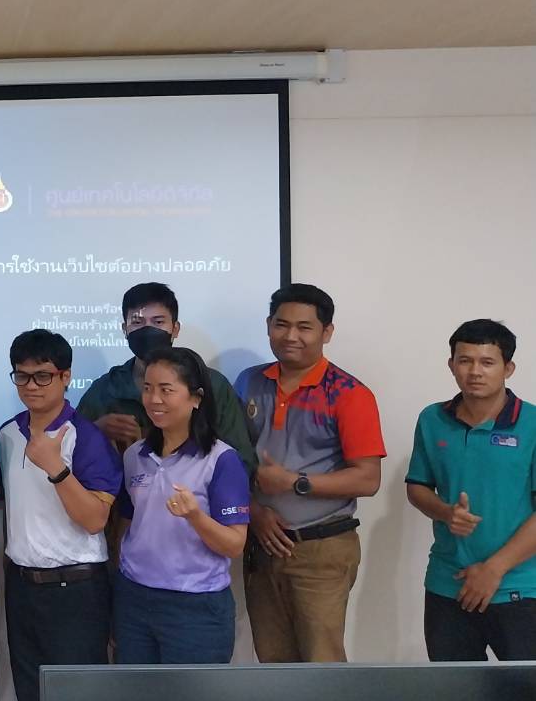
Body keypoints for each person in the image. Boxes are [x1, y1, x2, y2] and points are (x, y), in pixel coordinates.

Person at [0, 329, 120, 701]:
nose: (32, 386)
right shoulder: (8, 433)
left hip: (77, 588)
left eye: (43, 376)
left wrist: (56, 468)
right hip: (22, 585)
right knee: (33, 698)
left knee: (78, 700)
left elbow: (94, 519)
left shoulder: (85, 437)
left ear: (66, 377)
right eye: (22, 376)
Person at [234, 283, 384, 663]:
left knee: (322, 666)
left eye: (304, 327)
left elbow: (368, 479)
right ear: (268, 325)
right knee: (273, 664)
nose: (291, 336)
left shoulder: (349, 393)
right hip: (261, 545)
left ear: (326, 332)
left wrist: (295, 483)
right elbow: (230, 460)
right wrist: (255, 512)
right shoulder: (249, 382)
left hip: (321, 549)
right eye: (281, 325)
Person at [408, 319, 536, 660]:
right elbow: (418, 487)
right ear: (451, 365)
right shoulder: (432, 419)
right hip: (447, 585)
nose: (475, 371)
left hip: (520, 588)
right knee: (454, 690)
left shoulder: (532, 424)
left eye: (487, 362)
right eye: (465, 360)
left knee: (524, 692)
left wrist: (493, 570)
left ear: (508, 368)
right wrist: (445, 512)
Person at [115, 347, 250, 665]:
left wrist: (194, 516)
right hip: (134, 599)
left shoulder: (221, 459)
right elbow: (127, 523)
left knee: (191, 697)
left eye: (166, 390)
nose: (154, 399)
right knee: (134, 692)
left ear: (196, 398)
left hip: (195, 606)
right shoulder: (134, 455)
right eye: (148, 388)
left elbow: (234, 545)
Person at [77, 282, 255, 472]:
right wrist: (95, 431)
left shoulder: (212, 384)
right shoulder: (105, 389)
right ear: (124, 329)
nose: (147, 330)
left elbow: (241, 462)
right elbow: (70, 452)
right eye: (137, 322)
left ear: (175, 329)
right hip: (124, 490)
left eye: (158, 322)